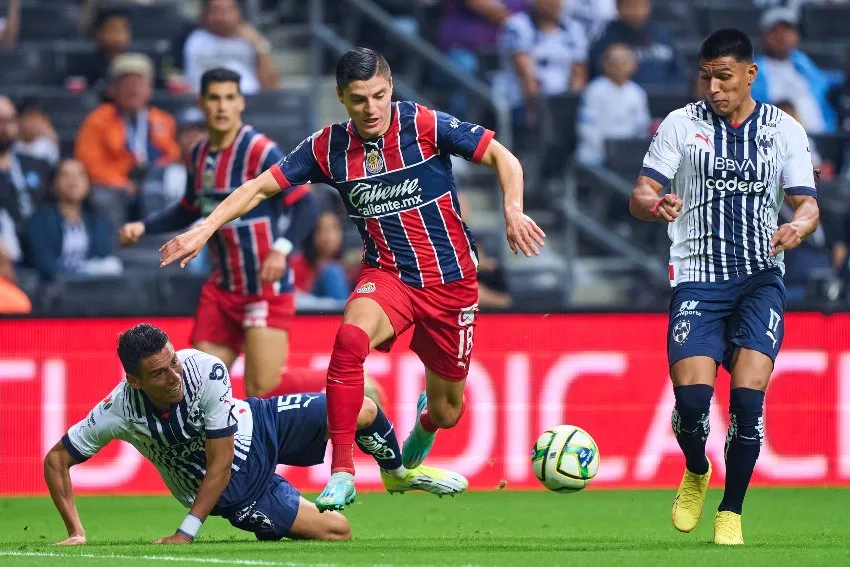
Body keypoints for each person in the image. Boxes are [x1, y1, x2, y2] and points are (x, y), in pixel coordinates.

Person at [157, 47, 546, 512]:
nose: (371, 108)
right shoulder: (327, 147)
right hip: (389, 276)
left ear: (391, 88)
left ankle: (423, 428)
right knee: (348, 340)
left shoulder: (423, 123)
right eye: (359, 99)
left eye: (379, 96)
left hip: (452, 282)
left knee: (448, 412)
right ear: (341, 97)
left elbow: (504, 157)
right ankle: (342, 471)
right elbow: (259, 187)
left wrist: (512, 209)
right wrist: (204, 228)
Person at [628, 29, 819, 545]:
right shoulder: (681, 124)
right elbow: (642, 191)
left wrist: (799, 227)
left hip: (761, 279)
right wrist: (654, 203)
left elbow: (807, 204)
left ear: (750, 74)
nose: (713, 87)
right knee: (692, 403)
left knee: (747, 405)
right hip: (697, 279)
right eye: (706, 77)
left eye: (724, 77)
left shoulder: (783, 130)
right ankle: (696, 467)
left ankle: (731, 510)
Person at [43, 323, 467, 546]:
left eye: (173, 361)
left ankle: (397, 472)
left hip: (259, 423)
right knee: (338, 530)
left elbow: (222, 454)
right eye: (159, 373)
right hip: (236, 490)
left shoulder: (205, 370)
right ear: (135, 381)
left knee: (362, 409)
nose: (174, 376)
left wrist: (185, 532)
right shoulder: (119, 410)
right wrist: (76, 530)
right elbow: (56, 461)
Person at [119, 68, 327, 400]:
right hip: (223, 289)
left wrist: (281, 249)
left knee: (263, 389)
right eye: (214, 98)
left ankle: (343, 382)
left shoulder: (259, 150)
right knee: (197, 386)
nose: (222, 106)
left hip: (264, 288)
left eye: (230, 98)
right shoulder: (198, 154)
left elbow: (306, 205)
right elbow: (190, 207)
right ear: (201, 102)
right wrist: (144, 226)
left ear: (241, 103)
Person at [26, 159, 120, 282]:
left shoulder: (98, 219)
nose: (73, 181)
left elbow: (103, 255)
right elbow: (45, 263)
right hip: (56, 286)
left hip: (93, 285)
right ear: (53, 185)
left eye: (80, 175)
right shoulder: (39, 221)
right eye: (65, 175)